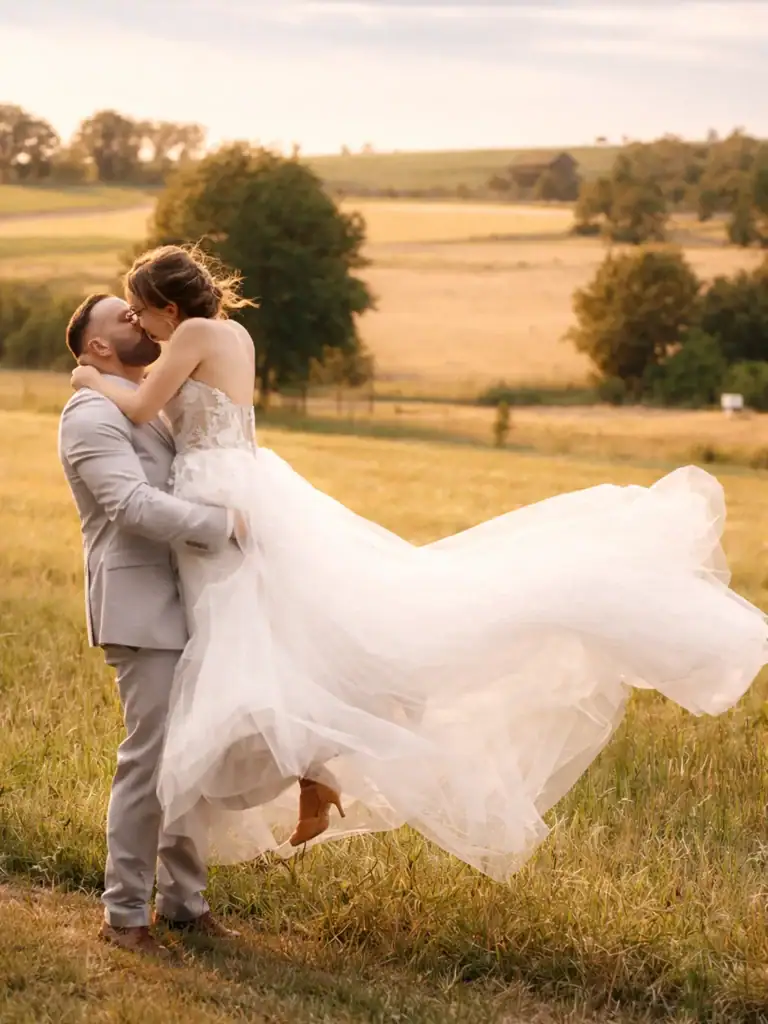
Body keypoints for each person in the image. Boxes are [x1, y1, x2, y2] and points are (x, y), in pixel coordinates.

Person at [71, 244, 768, 884]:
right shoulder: (234, 334)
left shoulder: (189, 336)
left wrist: (88, 376)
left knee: (249, 643)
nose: (138, 320)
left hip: (218, 494)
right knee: (279, 637)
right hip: (244, 477)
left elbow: (139, 403)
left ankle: (306, 765)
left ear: (169, 307)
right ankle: (312, 766)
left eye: (140, 307)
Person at [59, 294, 241, 954]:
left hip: (188, 603)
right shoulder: (88, 415)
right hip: (140, 611)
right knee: (150, 762)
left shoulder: (148, 405)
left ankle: (186, 903)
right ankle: (125, 914)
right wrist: (223, 526)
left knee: (190, 757)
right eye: (121, 318)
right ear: (97, 348)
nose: (138, 320)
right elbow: (131, 506)